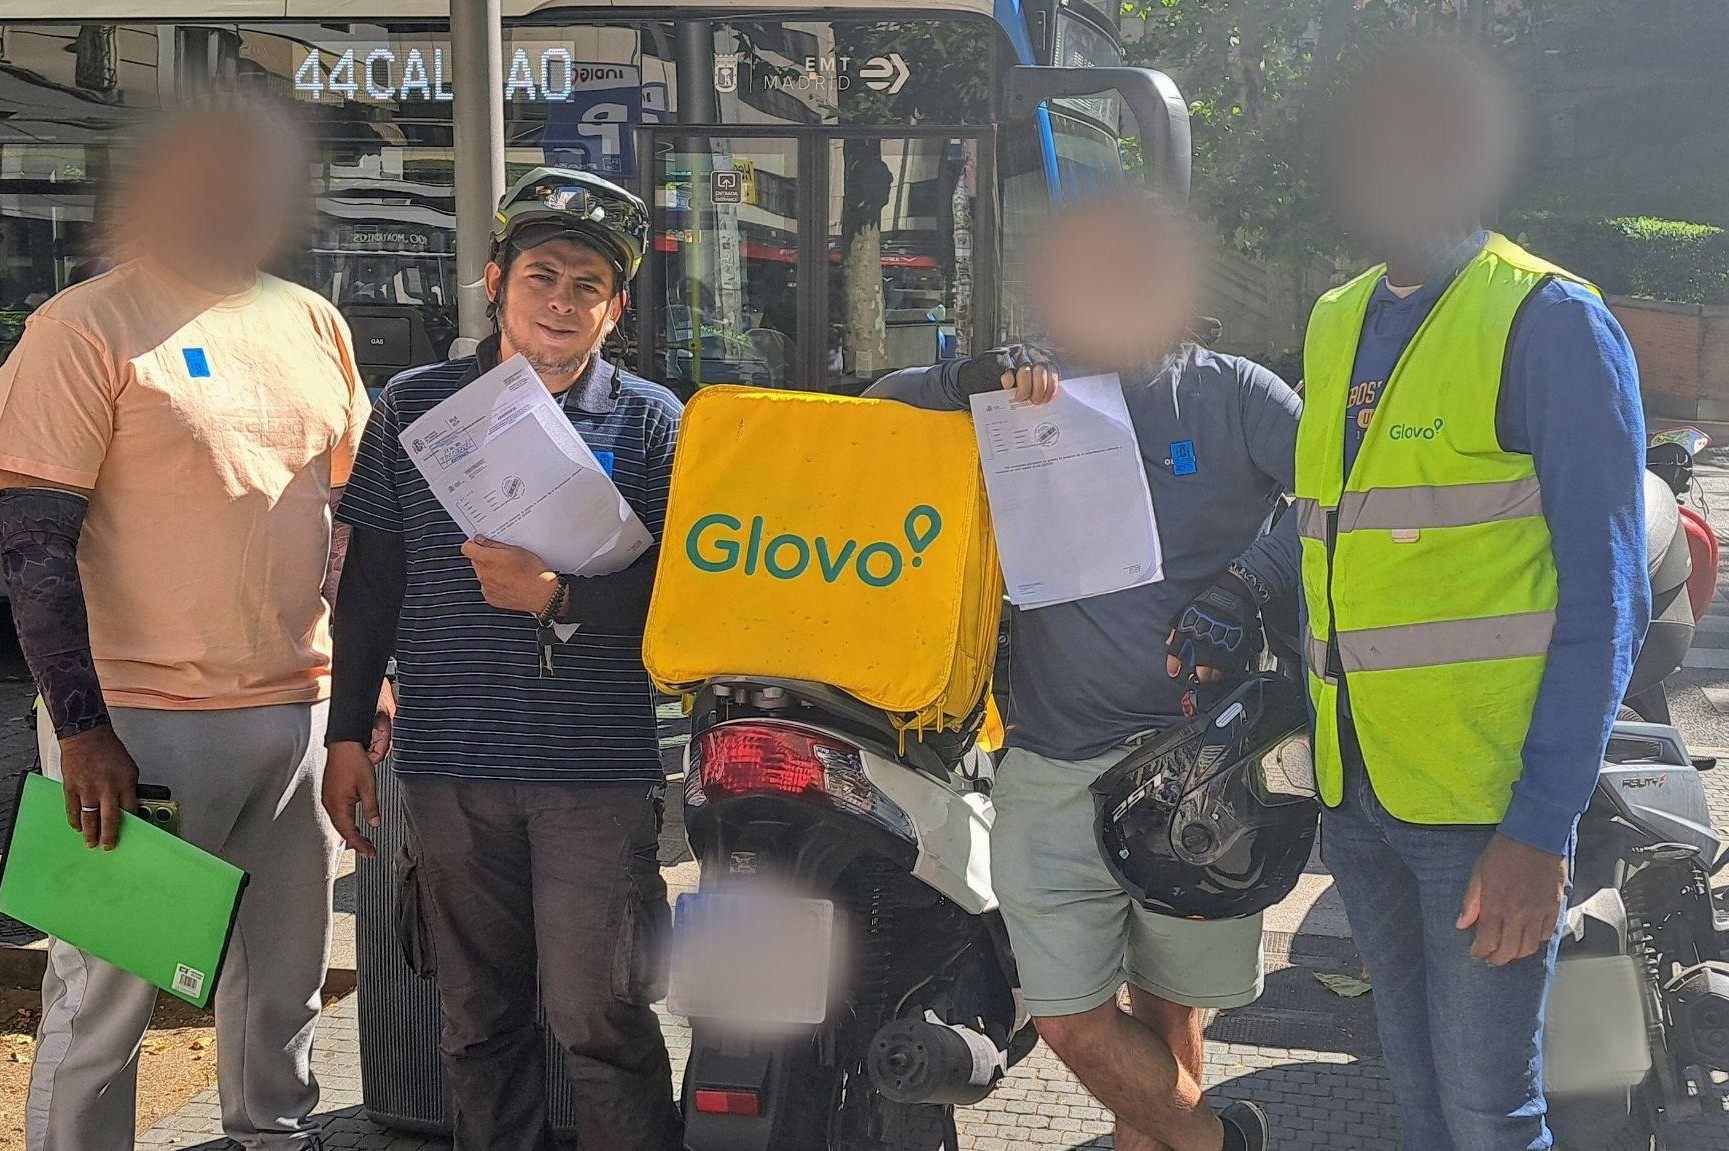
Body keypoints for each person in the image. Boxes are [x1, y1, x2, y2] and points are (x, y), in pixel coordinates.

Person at [1178, 44, 1650, 1150]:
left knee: (1493, 1111)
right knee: (1421, 1096)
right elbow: (1320, 515)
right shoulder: (1338, 318)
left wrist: (1538, 828)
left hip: (1484, 806)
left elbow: (1606, 597)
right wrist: (1242, 586)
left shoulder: (1549, 321)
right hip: (1360, 793)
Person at [868, 191, 1294, 1151]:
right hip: (1053, 760)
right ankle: (1212, 1142)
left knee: (1173, 1007)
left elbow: (1341, 498)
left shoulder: (1234, 393)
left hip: (1201, 763)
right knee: (1062, 1012)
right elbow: (873, 416)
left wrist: (1244, 586)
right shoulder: (1019, 387)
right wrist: (962, 376)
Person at [0, 98, 381, 1151]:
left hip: (296, 710)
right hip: (139, 723)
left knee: (283, 982)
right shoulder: (84, 325)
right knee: (107, 1000)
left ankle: (276, 1135)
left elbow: (348, 515)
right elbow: (32, 546)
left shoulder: (310, 318)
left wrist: (365, 686)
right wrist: (79, 725)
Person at [320, 168, 682, 1151]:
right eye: (541, 276)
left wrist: (559, 595)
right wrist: (346, 732)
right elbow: (369, 585)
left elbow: (684, 597)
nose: (560, 301)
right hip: (449, 762)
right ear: (495, 281)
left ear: (614, 307)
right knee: (477, 1024)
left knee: (597, 1018)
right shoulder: (416, 406)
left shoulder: (652, 420)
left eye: (587, 286)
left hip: (593, 769)